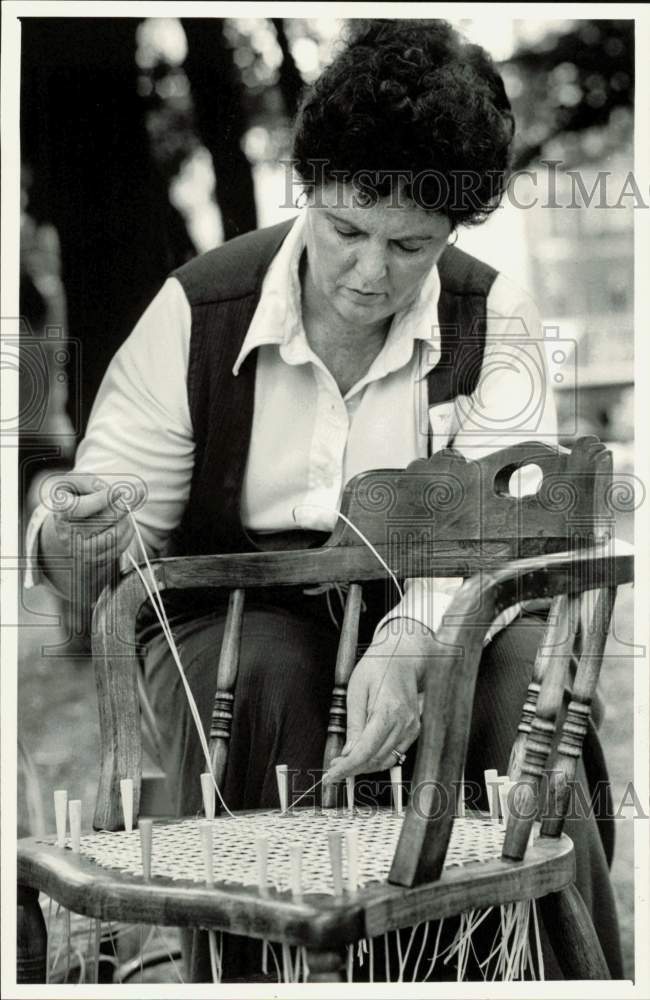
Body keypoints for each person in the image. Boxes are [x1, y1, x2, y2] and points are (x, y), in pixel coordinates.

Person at [26, 18, 622, 982]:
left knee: (513, 681)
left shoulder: (491, 318)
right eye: (346, 229)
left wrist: (413, 636)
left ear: (453, 230)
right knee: (260, 669)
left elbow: (501, 529)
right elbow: (107, 547)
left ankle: (520, 964)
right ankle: (272, 967)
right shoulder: (196, 311)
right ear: (308, 190)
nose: (371, 274)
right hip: (240, 614)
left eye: (411, 246)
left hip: (443, 601)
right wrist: (79, 529)